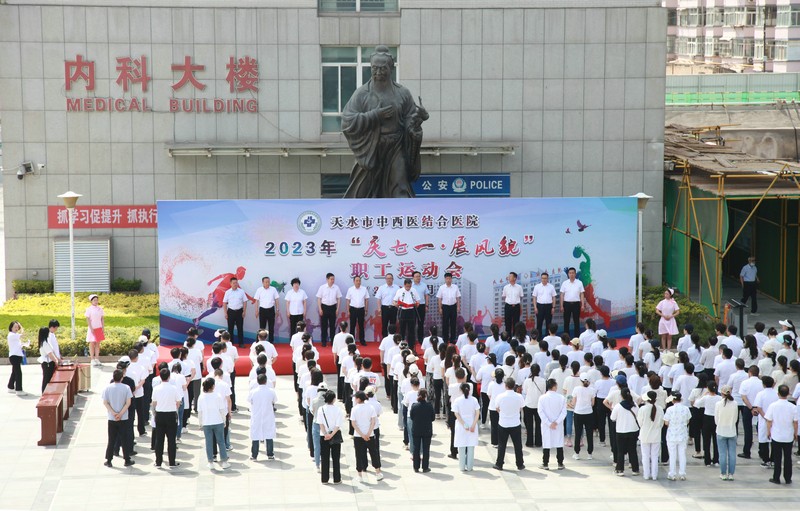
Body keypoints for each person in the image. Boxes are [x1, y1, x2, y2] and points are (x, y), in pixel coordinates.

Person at [341, 45, 428, 198]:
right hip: (371, 149)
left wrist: (418, 119)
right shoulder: (362, 94)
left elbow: (410, 119)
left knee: (400, 189)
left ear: (391, 68)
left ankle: (401, 213)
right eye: (375, 68)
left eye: (383, 68)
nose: (378, 72)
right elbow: (348, 121)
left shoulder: (402, 93)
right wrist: (374, 115)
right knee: (362, 193)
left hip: (396, 147)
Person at [766, 384, 798, 484]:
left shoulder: (773, 405)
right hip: (788, 436)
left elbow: (769, 421)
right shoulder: (793, 407)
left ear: (778, 393)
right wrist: (795, 433)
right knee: (788, 457)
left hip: (777, 435)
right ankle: (788, 478)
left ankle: (776, 477)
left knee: (777, 458)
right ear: (788, 394)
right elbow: (795, 422)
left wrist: (768, 431)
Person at [102, 369, 134, 468]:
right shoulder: (126, 388)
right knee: (124, 439)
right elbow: (128, 403)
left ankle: (109, 460)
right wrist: (120, 414)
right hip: (123, 418)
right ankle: (127, 459)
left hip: (112, 418)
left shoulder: (107, 388)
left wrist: (114, 413)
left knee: (111, 439)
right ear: (122, 378)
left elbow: (105, 402)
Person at [151, 367, 182, 468]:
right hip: (171, 415)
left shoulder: (156, 389)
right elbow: (178, 402)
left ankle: (158, 462)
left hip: (160, 414)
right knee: (171, 440)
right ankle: (172, 462)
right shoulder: (174, 388)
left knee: (159, 440)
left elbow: (154, 403)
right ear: (169, 377)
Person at [493, 377, 525, 471]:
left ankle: (499, 464)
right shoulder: (519, 396)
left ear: (505, 385)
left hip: (503, 423)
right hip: (515, 423)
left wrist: (503, 413)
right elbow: (521, 408)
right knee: (518, 445)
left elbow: (497, 408)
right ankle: (520, 464)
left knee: (502, 444)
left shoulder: (500, 396)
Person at [197, 377, 230, 470]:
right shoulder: (217, 396)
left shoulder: (201, 397)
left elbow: (200, 412)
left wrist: (200, 423)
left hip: (206, 422)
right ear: (212, 386)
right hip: (218, 421)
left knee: (209, 442)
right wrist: (224, 421)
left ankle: (210, 462)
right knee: (221, 441)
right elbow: (222, 410)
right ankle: (224, 461)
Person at [351, 390, 383, 482]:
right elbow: (373, 421)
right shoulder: (370, 407)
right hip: (370, 435)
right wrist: (368, 433)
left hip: (358, 435)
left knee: (359, 454)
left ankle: (359, 475)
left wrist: (362, 435)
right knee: (373, 453)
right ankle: (378, 472)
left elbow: (353, 423)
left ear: (358, 399)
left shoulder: (354, 409)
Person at [610, 387, 640, 476]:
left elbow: (612, 418)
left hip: (621, 431)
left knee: (620, 451)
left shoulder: (618, 406)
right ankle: (635, 469)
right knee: (633, 450)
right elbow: (638, 416)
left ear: (621, 396)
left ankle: (620, 470)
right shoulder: (635, 405)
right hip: (633, 430)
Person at [538, 378, 567, 470]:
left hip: (547, 425)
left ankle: (545, 463)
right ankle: (560, 463)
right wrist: (556, 422)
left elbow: (540, 412)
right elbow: (564, 412)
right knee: (559, 443)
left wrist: (548, 423)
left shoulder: (542, 398)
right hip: (558, 425)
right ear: (554, 386)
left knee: (546, 443)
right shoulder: (561, 398)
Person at [316, 391, 344, 484]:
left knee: (324, 458)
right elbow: (338, 425)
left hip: (323, 436)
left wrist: (326, 434)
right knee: (336, 458)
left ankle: (324, 479)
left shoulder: (321, 409)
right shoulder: (338, 410)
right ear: (334, 399)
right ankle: (337, 478)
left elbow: (320, 423)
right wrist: (331, 435)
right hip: (335, 435)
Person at [249, 373, 278, 461]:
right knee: (269, 434)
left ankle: (254, 455)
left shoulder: (253, 392)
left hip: (256, 415)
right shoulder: (271, 391)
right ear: (266, 381)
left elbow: (250, 401)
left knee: (255, 435)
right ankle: (270, 454)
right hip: (268, 415)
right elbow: (274, 401)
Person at [453, 383, 480, 471]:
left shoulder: (457, 400)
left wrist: (464, 424)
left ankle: (461, 467)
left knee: (461, 446)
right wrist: (473, 425)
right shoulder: (474, 400)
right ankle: (470, 467)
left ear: (460, 390)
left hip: (461, 426)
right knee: (471, 446)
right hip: (472, 425)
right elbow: (477, 413)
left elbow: (456, 414)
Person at [664, 393, 691, 481]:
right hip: (682, 434)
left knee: (672, 455)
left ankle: (672, 474)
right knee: (682, 454)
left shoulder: (669, 409)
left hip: (672, 435)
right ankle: (682, 474)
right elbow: (688, 420)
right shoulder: (686, 408)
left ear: (673, 400)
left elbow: (666, 422)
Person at [638, 391, 664, 480]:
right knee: (655, 456)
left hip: (645, 435)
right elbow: (661, 423)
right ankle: (654, 475)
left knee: (645, 455)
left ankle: (646, 474)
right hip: (656, 435)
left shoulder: (642, 409)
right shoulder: (660, 409)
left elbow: (640, 422)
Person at [714, 385, 738, 481]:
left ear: (722, 393)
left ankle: (723, 473)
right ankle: (731, 474)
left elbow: (716, 419)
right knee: (732, 454)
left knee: (722, 454)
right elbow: (735, 418)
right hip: (732, 430)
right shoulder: (735, 403)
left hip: (721, 430)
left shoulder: (718, 404)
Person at [694, 381, 721, 467]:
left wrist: (703, 395)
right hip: (716, 419)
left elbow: (696, 404)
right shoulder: (720, 398)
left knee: (706, 440)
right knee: (716, 440)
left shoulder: (706, 398)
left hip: (707, 418)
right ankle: (716, 460)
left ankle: (707, 460)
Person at [754, 376, 779, 467]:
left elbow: (759, 408)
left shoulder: (760, 394)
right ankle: (773, 460)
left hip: (763, 419)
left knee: (763, 440)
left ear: (763, 384)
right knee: (773, 439)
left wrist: (765, 417)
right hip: (774, 420)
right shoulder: (776, 394)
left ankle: (766, 460)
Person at [571, 374, 596, 460]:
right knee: (589, 434)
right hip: (589, 413)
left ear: (580, 380)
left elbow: (573, 402)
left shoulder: (576, 389)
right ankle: (590, 454)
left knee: (578, 434)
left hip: (578, 413)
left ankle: (577, 453)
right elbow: (593, 403)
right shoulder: (592, 390)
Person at [409, 388, 435, 473]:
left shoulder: (414, 406)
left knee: (416, 448)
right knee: (426, 449)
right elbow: (433, 418)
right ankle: (425, 467)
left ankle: (416, 467)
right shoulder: (429, 406)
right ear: (426, 396)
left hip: (416, 429)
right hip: (427, 430)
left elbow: (412, 417)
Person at [393, 278, 421, 352]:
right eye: (407, 286)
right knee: (402, 330)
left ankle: (411, 347)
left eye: (409, 286)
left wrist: (417, 304)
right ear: (404, 285)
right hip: (403, 311)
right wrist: (396, 304)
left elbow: (418, 301)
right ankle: (401, 347)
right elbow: (394, 301)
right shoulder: (400, 291)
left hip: (411, 311)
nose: (408, 288)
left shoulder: (413, 290)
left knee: (411, 331)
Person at [522, 364, 546, 447]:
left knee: (529, 424)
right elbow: (544, 392)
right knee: (538, 424)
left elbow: (525, 391)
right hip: (539, 404)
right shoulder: (543, 380)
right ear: (539, 371)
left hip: (528, 404)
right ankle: (538, 442)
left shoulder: (527, 381)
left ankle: (529, 442)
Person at [316, 273, 342, 348]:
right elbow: (319, 298)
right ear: (327, 279)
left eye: (333, 279)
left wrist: (337, 309)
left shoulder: (336, 288)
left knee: (332, 326)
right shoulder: (322, 287)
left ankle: (332, 341)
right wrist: (320, 308)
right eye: (331, 279)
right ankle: (324, 341)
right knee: (324, 326)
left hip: (333, 308)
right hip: (324, 307)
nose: (332, 280)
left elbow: (339, 299)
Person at [559, 267, 585, 339]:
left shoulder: (579, 283)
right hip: (566, 304)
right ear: (568, 274)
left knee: (576, 322)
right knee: (566, 322)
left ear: (575, 274)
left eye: (573, 273)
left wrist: (582, 305)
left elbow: (582, 294)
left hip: (576, 304)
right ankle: (566, 339)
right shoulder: (565, 283)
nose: (571, 274)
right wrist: (561, 305)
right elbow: (562, 294)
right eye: (570, 273)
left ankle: (576, 339)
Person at [223, 276, 249, 347]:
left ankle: (241, 343)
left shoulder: (241, 291)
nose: (235, 284)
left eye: (236, 283)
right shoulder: (227, 292)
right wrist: (225, 313)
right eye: (234, 283)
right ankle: (230, 343)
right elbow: (224, 303)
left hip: (239, 312)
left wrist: (244, 311)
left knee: (240, 328)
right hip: (230, 312)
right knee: (230, 328)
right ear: (230, 283)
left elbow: (245, 301)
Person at [253, 276, 280, 343]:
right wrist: (256, 310)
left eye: (268, 282)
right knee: (262, 328)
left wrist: (277, 309)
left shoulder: (273, 289)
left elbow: (276, 300)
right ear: (263, 282)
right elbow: (256, 301)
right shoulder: (259, 290)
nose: (268, 283)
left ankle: (271, 342)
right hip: (262, 310)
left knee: (271, 327)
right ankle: (260, 342)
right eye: (266, 282)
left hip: (271, 310)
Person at [532, 272, 557, 339]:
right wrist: (535, 307)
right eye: (542, 278)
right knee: (539, 323)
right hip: (540, 306)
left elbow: (554, 297)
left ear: (547, 279)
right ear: (541, 278)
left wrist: (553, 307)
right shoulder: (537, 287)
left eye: (545, 278)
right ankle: (538, 339)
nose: (544, 279)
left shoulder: (551, 287)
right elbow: (534, 297)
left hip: (549, 306)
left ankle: (547, 338)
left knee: (548, 323)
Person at [7, 322, 29, 395]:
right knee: (18, 373)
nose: (17, 328)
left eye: (17, 327)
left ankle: (10, 387)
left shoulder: (15, 335)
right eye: (15, 327)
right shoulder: (12, 335)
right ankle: (19, 390)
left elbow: (17, 345)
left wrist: (23, 345)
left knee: (14, 372)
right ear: (11, 328)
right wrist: (21, 326)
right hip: (14, 356)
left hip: (17, 356)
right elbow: (23, 335)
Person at [346, 276, 369, 346]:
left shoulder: (364, 289)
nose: (358, 282)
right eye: (357, 281)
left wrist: (366, 310)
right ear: (354, 281)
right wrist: (348, 311)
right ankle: (351, 341)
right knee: (352, 326)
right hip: (353, 309)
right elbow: (348, 300)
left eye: (359, 280)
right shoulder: (350, 289)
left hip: (361, 309)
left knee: (361, 326)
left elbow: (366, 300)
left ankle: (362, 340)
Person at [375, 274, 399, 341]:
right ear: (385, 279)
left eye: (390, 278)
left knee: (393, 324)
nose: (389, 280)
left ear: (392, 279)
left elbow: (399, 298)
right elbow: (378, 299)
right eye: (387, 278)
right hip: (385, 308)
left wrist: (398, 306)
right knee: (384, 324)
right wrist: (379, 308)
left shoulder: (397, 288)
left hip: (394, 308)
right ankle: (384, 339)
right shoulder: (382, 288)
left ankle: (393, 339)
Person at [85, 294, 105, 366]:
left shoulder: (100, 309)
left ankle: (97, 358)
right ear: (91, 301)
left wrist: (103, 327)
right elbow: (88, 319)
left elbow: (102, 319)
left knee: (98, 344)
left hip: (99, 327)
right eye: (94, 300)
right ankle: (92, 359)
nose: (96, 301)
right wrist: (91, 328)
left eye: (97, 300)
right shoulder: (89, 309)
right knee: (92, 343)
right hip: (92, 328)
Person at [411, 271, 429, 348]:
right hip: (412, 306)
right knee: (412, 323)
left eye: (419, 276)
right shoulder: (410, 285)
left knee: (421, 323)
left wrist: (426, 305)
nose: (418, 278)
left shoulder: (424, 285)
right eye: (416, 276)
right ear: (413, 278)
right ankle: (412, 340)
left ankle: (420, 339)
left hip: (421, 305)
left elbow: (426, 296)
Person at [37, 327, 58, 393]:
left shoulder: (44, 342)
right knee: (47, 379)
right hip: (48, 363)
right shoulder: (45, 343)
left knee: (47, 379)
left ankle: (46, 392)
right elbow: (50, 354)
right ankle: (45, 393)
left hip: (47, 363)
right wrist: (56, 360)